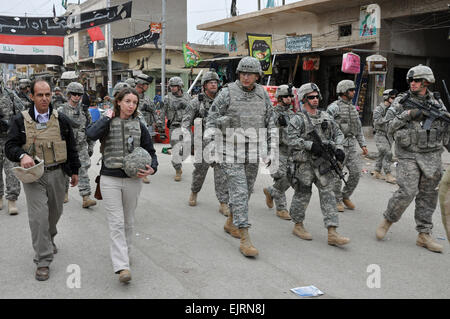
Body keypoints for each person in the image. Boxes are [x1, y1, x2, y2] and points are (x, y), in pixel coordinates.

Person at [5, 79, 80, 281]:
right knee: (39, 218)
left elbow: (71, 146)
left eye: (47, 94)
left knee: (54, 213)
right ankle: (43, 260)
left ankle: (49, 238)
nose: (45, 98)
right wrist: (22, 155)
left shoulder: (61, 120)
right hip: (33, 176)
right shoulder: (19, 121)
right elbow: (9, 146)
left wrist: (75, 171)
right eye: (40, 95)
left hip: (58, 173)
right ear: (32, 96)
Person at [375, 65, 450, 253]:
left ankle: (424, 234)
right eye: (411, 81)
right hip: (408, 153)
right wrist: (408, 115)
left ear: (426, 82)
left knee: (429, 194)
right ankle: (388, 220)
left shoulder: (436, 103)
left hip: (432, 154)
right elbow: (386, 126)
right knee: (407, 190)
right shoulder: (402, 101)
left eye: (416, 80)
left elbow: (445, 130)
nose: (413, 84)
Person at [86, 87, 158, 283]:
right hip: (110, 178)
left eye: (134, 102)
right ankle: (121, 266)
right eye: (127, 101)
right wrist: (107, 117)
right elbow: (90, 134)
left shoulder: (139, 125)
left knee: (128, 221)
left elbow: (151, 151)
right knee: (116, 222)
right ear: (118, 102)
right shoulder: (108, 121)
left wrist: (153, 168)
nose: (131, 105)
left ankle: (124, 253)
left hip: (133, 180)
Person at [206, 56, 275, 257]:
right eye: (243, 73)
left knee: (246, 189)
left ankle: (230, 223)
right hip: (230, 150)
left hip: (253, 150)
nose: (246, 77)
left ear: (257, 76)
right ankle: (245, 238)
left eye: (250, 74)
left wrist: (270, 148)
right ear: (238, 74)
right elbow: (210, 120)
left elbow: (270, 121)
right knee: (240, 190)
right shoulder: (227, 93)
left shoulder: (262, 94)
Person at [288, 83, 349, 246]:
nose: (315, 100)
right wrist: (310, 145)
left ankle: (332, 231)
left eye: (317, 96)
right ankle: (298, 225)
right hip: (305, 163)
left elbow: (338, 133)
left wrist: (339, 148)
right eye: (311, 97)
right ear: (303, 99)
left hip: (323, 162)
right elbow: (291, 139)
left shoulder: (326, 116)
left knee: (328, 193)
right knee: (303, 194)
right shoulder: (297, 119)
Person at [182, 70, 230, 216]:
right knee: (199, 172)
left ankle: (223, 203)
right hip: (202, 143)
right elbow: (186, 122)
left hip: (221, 142)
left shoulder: (224, 100)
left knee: (221, 174)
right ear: (204, 85)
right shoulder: (197, 102)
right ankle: (194, 192)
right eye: (211, 82)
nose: (214, 84)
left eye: (216, 82)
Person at [327, 80, 368, 212]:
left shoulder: (353, 108)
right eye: (351, 90)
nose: (354, 92)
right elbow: (326, 126)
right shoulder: (334, 107)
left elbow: (358, 128)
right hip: (339, 147)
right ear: (344, 91)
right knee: (338, 174)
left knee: (356, 173)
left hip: (352, 147)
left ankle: (346, 196)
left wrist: (363, 144)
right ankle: (337, 199)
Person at [57, 82, 96, 208]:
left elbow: (90, 130)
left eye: (79, 94)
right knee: (64, 171)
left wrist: (90, 147)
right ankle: (64, 192)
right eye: (74, 94)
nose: (76, 97)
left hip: (81, 146)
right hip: (65, 147)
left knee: (83, 169)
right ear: (69, 94)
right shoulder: (60, 110)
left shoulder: (84, 111)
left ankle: (86, 197)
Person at [263, 84, 296, 221]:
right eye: (286, 96)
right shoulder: (271, 112)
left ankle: (271, 191)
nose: (289, 99)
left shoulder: (293, 114)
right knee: (280, 176)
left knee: (292, 177)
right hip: (276, 149)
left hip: (291, 150)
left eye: (290, 96)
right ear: (279, 98)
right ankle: (281, 208)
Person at [0, 76, 25, 215]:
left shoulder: (10, 95)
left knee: (11, 170)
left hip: (8, 138)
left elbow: (22, 112)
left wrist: (10, 123)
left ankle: (12, 199)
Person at [159, 76, 192, 181]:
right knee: (175, 149)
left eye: (174, 86)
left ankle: (181, 158)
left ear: (180, 86)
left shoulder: (187, 97)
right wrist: (162, 128)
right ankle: (178, 169)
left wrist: (186, 105)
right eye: (171, 86)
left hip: (186, 126)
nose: (172, 88)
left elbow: (193, 109)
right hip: (174, 126)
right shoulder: (167, 98)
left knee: (187, 148)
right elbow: (162, 113)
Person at [371, 89, 398, 184]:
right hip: (380, 134)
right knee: (388, 153)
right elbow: (377, 122)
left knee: (382, 154)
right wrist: (387, 119)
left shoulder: (394, 108)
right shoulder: (379, 109)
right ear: (386, 97)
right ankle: (388, 174)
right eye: (392, 98)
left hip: (389, 135)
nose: (394, 99)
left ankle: (377, 171)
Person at [136, 74, 156, 184]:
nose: (148, 87)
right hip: (133, 128)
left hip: (145, 128)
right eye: (146, 85)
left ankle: (143, 173)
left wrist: (159, 124)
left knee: (145, 151)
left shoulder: (147, 98)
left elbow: (153, 111)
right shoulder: (131, 96)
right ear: (141, 84)